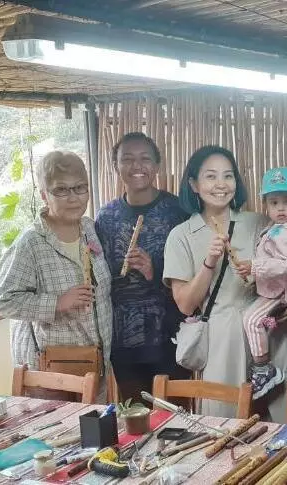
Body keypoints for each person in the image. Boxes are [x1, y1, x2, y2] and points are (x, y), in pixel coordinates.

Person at [163, 145, 287, 422]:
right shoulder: (181, 235)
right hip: (224, 342)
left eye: (228, 176)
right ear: (194, 185)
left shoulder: (259, 222)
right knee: (227, 425)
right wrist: (210, 262)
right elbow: (185, 304)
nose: (221, 184)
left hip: (274, 330)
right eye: (210, 176)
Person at [0, 151, 112, 402]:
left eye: (80, 188)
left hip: (96, 364)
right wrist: (57, 302)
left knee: (96, 435)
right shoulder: (32, 242)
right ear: (44, 194)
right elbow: (3, 302)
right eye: (61, 190)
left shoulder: (90, 228)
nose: (73, 198)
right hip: (52, 370)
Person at [95, 132, 190, 403]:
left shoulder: (177, 211)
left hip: (169, 335)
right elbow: (100, 276)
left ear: (157, 165)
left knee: (176, 417)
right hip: (123, 339)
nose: (137, 166)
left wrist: (154, 271)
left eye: (145, 158)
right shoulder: (106, 216)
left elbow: (194, 272)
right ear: (116, 166)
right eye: (128, 159)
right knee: (135, 416)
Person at [236, 167, 287, 400]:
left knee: (250, 319)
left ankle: (264, 369)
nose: (281, 208)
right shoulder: (279, 229)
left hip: (283, 291)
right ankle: (270, 329)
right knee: (266, 321)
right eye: (274, 203)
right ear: (265, 204)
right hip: (280, 289)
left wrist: (255, 267)